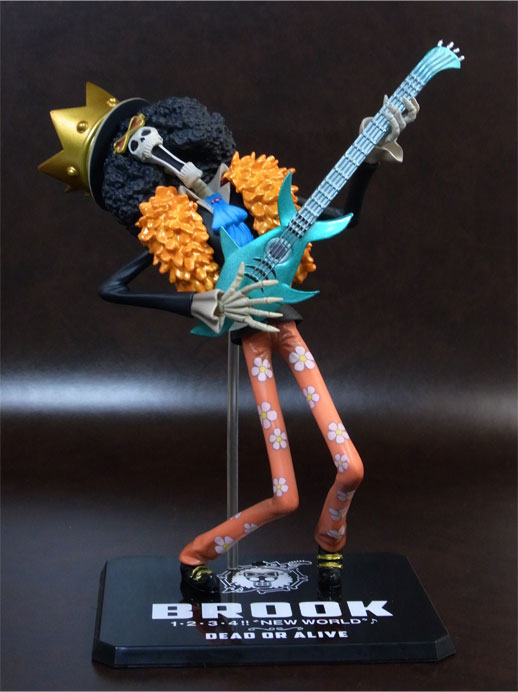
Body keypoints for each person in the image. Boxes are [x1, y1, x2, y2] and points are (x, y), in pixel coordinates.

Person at [39, 84, 418, 595]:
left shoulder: (252, 196)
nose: (192, 172)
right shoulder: (175, 225)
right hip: (253, 342)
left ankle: (331, 542)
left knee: (350, 467)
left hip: (286, 327)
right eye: (148, 155)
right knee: (284, 496)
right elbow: (113, 288)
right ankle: (196, 554)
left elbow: (338, 220)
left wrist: (368, 161)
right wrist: (205, 304)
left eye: (160, 141)